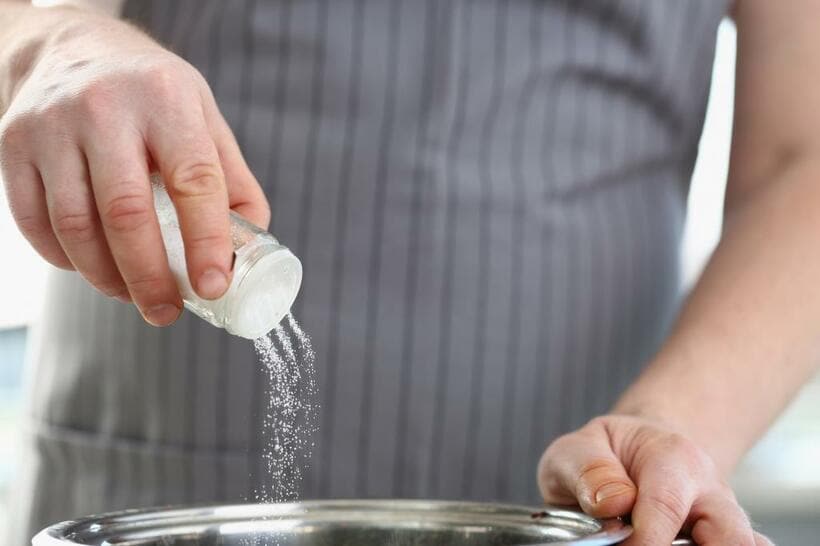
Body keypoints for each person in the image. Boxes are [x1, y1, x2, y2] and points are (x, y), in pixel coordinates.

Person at [2, 0, 813, 543]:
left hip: (577, 496)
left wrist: (672, 428)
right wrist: (46, 45)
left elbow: (800, 157)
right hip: (164, 474)